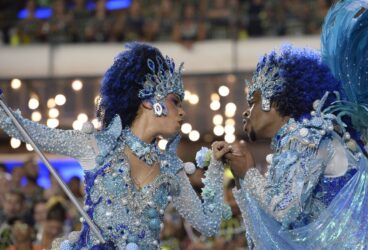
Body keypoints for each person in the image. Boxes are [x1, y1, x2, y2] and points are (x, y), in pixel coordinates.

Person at [0, 43, 229, 249]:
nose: (182, 111)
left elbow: (208, 225)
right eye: (175, 101)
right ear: (149, 101)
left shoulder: (171, 167)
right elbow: (27, 131)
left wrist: (217, 168)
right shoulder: (97, 147)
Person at [219, 1, 368, 249]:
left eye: (252, 101)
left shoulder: (306, 136)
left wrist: (248, 170)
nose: (246, 112)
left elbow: (283, 208)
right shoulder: (309, 135)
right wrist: (242, 176)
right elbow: (272, 231)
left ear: (273, 100)